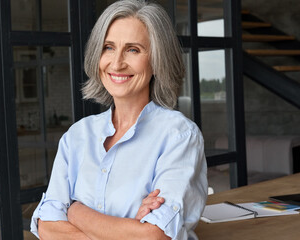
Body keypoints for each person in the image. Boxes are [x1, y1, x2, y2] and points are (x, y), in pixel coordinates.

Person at [30, 0, 207, 239]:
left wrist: (75, 211)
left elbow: (154, 236)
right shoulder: (77, 136)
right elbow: (47, 227)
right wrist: (127, 229)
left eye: (133, 49)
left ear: (156, 60)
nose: (117, 63)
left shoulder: (179, 136)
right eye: (108, 47)